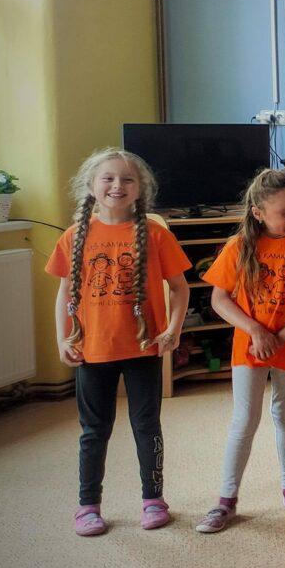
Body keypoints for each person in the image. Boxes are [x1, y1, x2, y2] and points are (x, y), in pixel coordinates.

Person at [48, 149, 191, 536]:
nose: (117, 186)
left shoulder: (156, 235)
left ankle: (153, 500)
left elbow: (180, 288)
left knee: (147, 426)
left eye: (128, 179)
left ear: (140, 188)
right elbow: (64, 293)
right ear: (91, 186)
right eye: (108, 178)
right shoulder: (74, 237)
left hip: (144, 349)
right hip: (93, 351)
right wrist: (62, 337)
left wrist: (174, 329)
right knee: (94, 430)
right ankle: (88, 505)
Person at [196, 169, 285, 533]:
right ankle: (226, 500)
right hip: (250, 346)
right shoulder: (239, 246)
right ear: (259, 213)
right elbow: (219, 299)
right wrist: (257, 331)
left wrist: (284, 336)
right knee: (244, 419)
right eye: (284, 213)